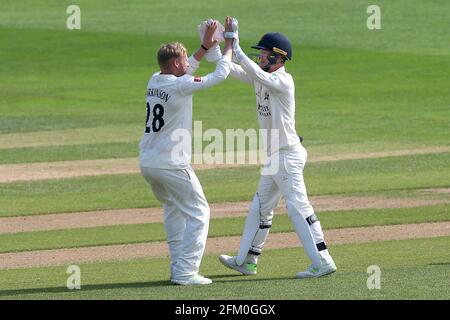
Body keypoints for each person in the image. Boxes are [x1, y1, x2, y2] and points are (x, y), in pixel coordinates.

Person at [217, 18, 337, 278]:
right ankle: (247, 260)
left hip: (287, 155)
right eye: (258, 54)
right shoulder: (262, 78)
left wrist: (237, 49)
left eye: (263, 54)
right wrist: (218, 47)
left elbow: (256, 73)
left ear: (277, 58)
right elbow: (229, 70)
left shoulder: (284, 80)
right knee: (260, 208)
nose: (259, 57)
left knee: (298, 207)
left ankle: (323, 260)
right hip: (274, 158)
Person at [139, 19, 234, 285]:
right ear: (176, 65)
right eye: (183, 60)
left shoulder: (155, 79)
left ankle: (177, 267)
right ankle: (185, 271)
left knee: (173, 208)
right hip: (171, 163)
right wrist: (228, 46)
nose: (186, 63)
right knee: (199, 212)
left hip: (149, 162)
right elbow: (219, 76)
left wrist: (203, 48)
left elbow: (188, 68)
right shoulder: (180, 84)